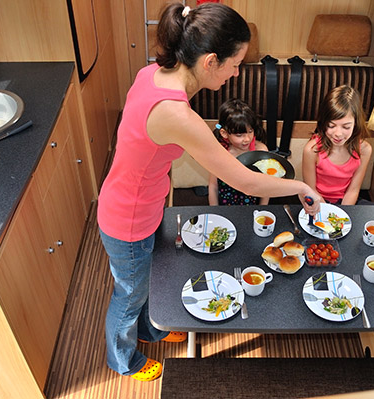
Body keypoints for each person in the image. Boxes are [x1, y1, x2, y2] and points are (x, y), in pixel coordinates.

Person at [96, 2, 320, 382]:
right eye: (235, 64)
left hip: (140, 202)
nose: (236, 73)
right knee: (129, 292)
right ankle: (122, 358)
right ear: (211, 61)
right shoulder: (178, 116)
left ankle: (151, 331)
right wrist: (299, 185)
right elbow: (245, 180)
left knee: (147, 279)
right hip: (127, 218)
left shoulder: (152, 73)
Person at [302, 85, 372, 206]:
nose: (338, 134)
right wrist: (328, 213)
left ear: (356, 123)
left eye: (346, 127)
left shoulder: (365, 150)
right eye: (331, 125)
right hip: (318, 200)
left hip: (346, 201)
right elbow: (311, 189)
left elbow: (353, 190)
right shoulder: (312, 150)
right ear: (324, 122)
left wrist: (341, 216)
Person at [208, 98, 269, 205]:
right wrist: (214, 211)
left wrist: (263, 209)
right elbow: (213, 186)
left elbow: (267, 186)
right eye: (239, 135)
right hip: (226, 203)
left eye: (250, 131)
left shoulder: (261, 150)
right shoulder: (220, 152)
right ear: (224, 133)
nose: (247, 139)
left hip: (251, 205)